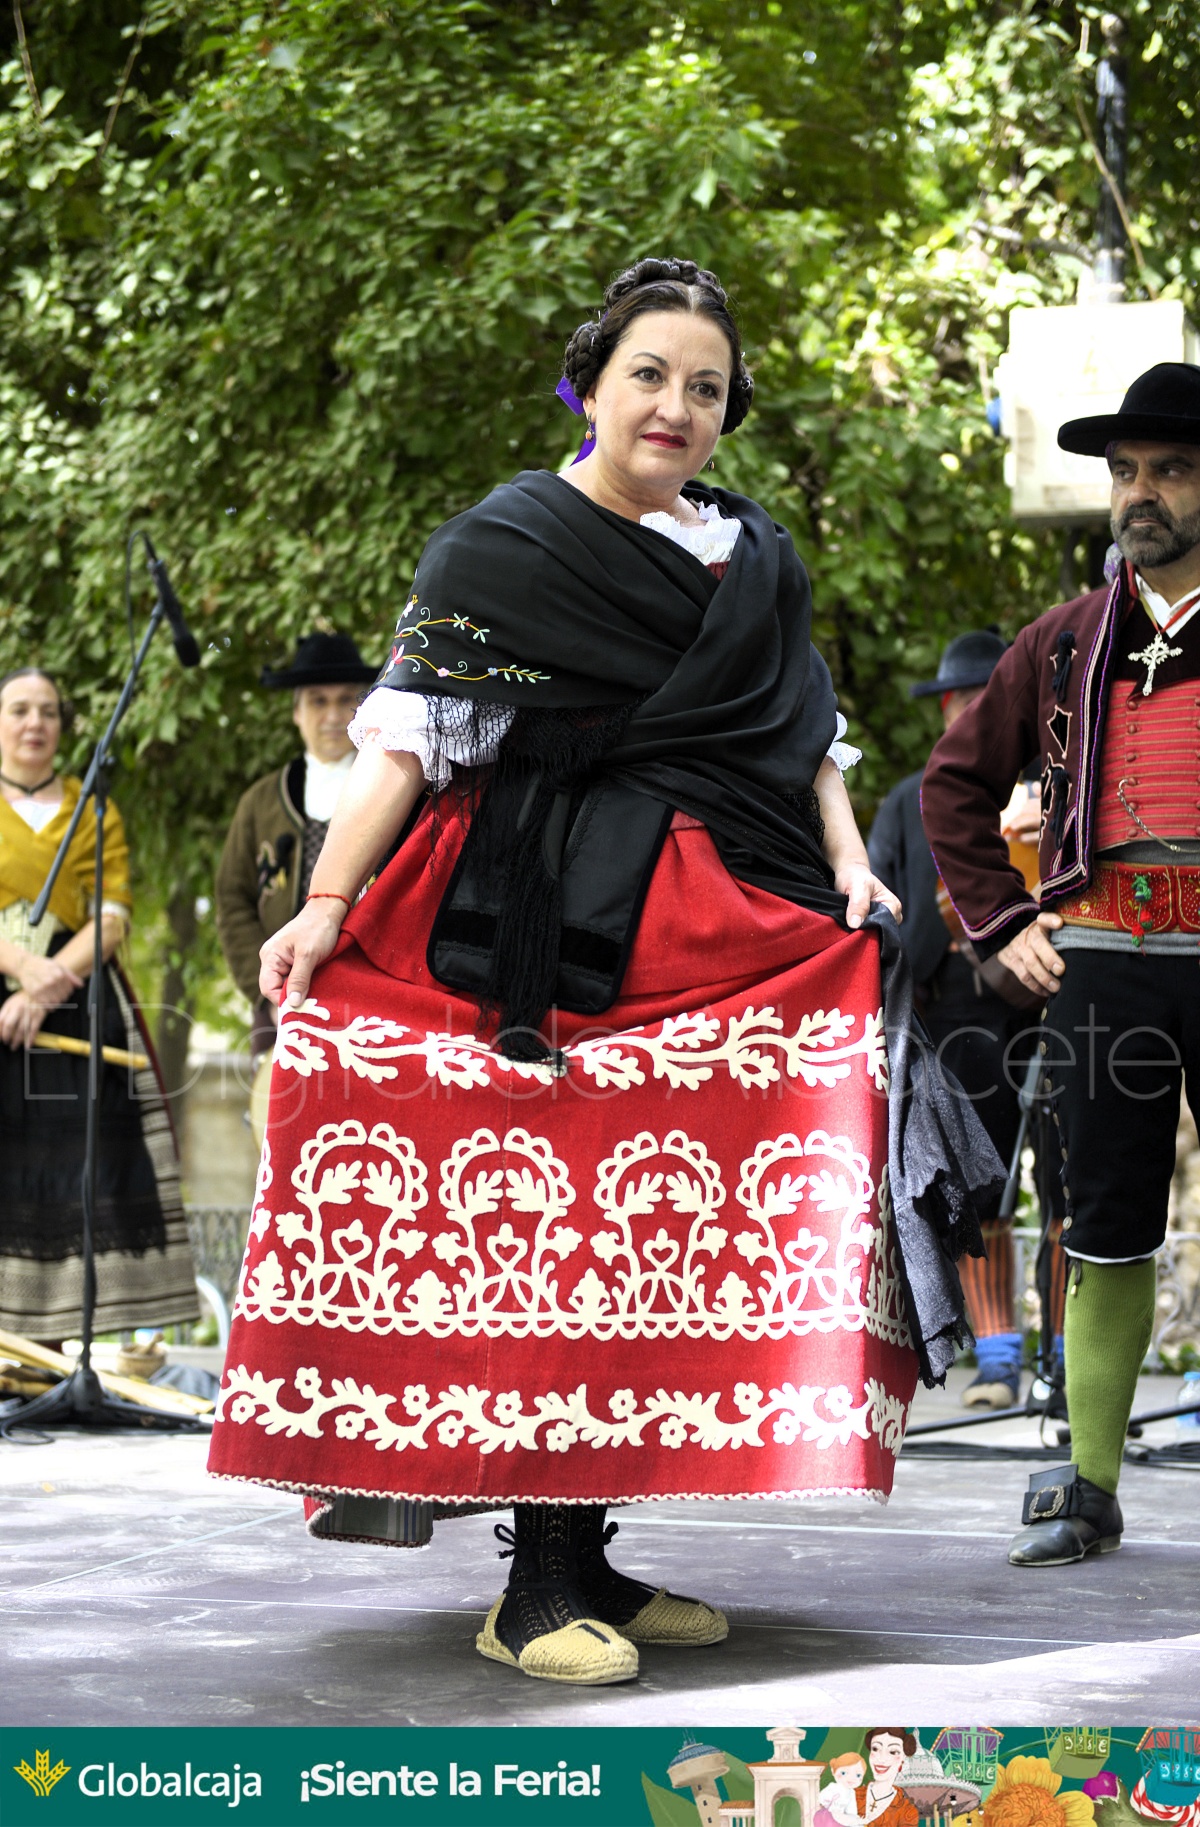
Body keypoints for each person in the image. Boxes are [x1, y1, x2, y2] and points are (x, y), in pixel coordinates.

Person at [209, 256, 994, 1686]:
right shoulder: (500, 545)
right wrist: (325, 904)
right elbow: (408, 739)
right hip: (526, 912)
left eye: (707, 387)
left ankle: (590, 1555)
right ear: (591, 385)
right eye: (650, 374)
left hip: (715, 909)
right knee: (541, 1228)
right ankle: (535, 1588)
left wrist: (850, 867)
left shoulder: (750, 555)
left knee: (651, 1239)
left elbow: (802, 737)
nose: (676, 406)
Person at [922, 359, 1200, 1565]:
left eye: (1172, 471)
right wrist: (1002, 922)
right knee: (1104, 1221)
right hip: (1106, 962)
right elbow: (952, 787)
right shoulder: (1065, 639)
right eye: (1128, 472)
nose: (1142, 493)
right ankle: (1088, 1485)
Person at [869, 632, 1066, 1410]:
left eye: (985, 697)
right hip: (952, 1003)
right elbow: (883, 896)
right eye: (961, 699)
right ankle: (997, 1358)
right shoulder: (909, 797)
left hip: (1054, 991)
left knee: (1066, 1179)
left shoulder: (1059, 785)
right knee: (979, 1179)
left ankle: (1063, 1359)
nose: (970, 710)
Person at [0, 667, 197, 1344]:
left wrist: (46, 983)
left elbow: (111, 919)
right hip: (13, 984)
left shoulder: (94, 809)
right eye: (19, 709)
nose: (35, 722)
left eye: (48, 711)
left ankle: (53, 1354)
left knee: (71, 1170)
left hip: (78, 1003)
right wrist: (22, 970)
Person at [214, 633, 377, 1132]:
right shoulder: (261, 802)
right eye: (317, 701)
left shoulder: (393, 792)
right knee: (280, 1133)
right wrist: (266, 990)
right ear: (296, 713)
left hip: (374, 994)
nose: (332, 715)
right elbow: (233, 900)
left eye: (346, 699)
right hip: (281, 997)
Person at [858, 1731, 918, 1827]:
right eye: (875, 1749)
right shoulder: (851, 1794)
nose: (881, 1759)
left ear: (903, 1758)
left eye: (893, 1752)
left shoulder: (907, 1812)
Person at [816, 1754, 868, 1827]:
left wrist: (854, 1819)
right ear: (833, 1771)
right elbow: (819, 1801)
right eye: (844, 1773)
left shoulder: (851, 1792)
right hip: (827, 1816)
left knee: (855, 1821)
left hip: (841, 1819)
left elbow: (851, 1811)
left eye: (858, 1775)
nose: (851, 1778)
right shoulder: (833, 1787)